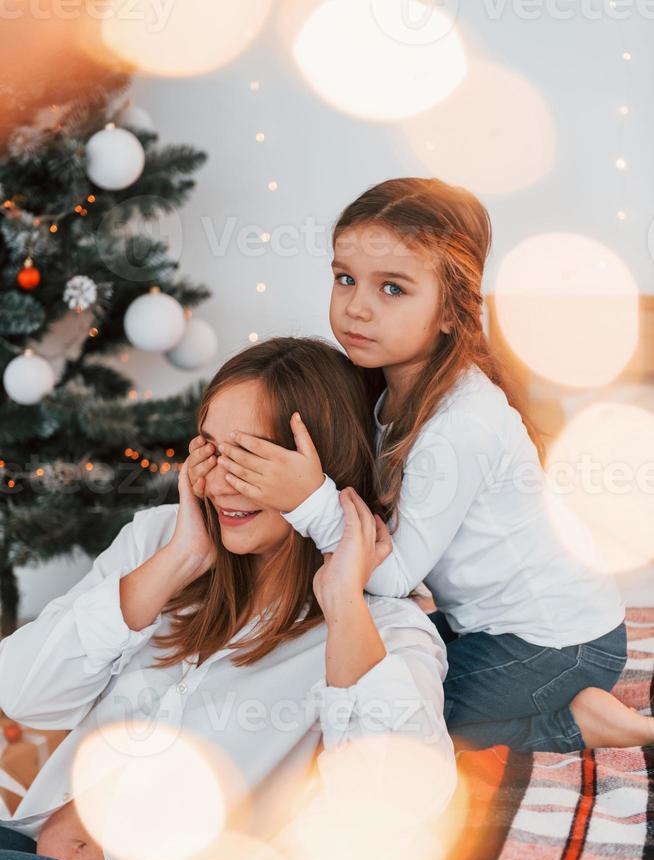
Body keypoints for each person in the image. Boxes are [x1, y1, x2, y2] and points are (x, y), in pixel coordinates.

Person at [0, 337, 456, 860]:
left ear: (320, 470)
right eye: (211, 448)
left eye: (253, 456)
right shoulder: (159, 541)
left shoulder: (381, 627)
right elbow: (21, 692)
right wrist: (178, 561)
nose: (219, 479)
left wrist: (344, 601)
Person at [190, 178, 647, 756]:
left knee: (381, 708)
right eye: (345, 278)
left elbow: (391, 575)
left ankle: (579, 722)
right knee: (345, 661)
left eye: (393, 289)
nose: (357, 305)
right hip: (490, 627)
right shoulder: (387, 392)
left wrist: (307, 499)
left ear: (451, 311)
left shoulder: (459, 423)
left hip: (558, 643)